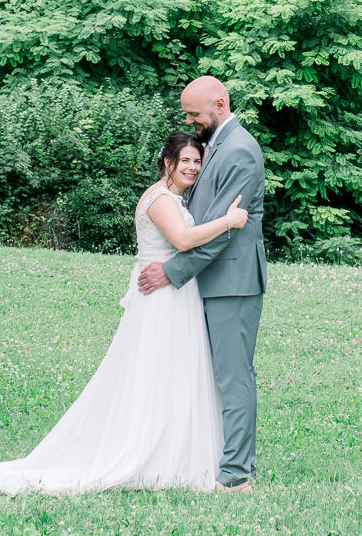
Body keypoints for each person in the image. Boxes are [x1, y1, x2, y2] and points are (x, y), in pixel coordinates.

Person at [0, 131, 247, 494]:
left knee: (172, 375)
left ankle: (175, 452)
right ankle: (150, 453)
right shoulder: (160, 198)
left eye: (197, 161)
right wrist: (229, 221)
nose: (193, 167)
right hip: (162, 300)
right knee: (154, 376)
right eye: (185, 160)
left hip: (173, 296)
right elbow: (183, 240)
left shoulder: (173, 198)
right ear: (167, 162)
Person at [138, 76, 267, 493]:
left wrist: (173, 270)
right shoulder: (217, 146)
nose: (190, 121)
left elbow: (226, 231)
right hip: (210, 281)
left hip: (232, 281)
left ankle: (235, 475)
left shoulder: (241, 150)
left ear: (220, 103)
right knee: (207, 376)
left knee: (233, 376)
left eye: (194, 113)